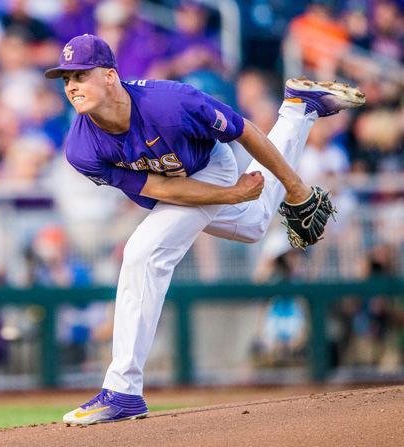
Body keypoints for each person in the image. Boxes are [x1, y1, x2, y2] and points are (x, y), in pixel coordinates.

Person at [44, 34, 365, 425]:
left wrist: (295, 187)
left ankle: (122, 390)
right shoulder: (81, 147)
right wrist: (229, 197)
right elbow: (159, 189)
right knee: (254, 225)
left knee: (143, 252)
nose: (72, 85)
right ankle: (299, 109)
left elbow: (244, 131)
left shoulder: (170, 102)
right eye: (66, 79)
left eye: (81, 74)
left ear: (110, 76)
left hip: (211, 163)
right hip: (179, 185)